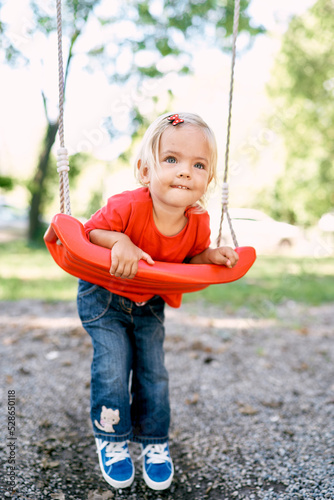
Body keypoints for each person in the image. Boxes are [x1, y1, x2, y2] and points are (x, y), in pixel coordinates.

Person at [77, 112, 239, 491]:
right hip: (105, 295)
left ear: (208, 180)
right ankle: (112, 438)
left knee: (154, 374)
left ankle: (154, 442)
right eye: (172, 159)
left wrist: (211, 256)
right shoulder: (127, 206)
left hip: (150, 302)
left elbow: (191, 258)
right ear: (145, 171)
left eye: (198, 165)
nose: (185, 171)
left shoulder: (198, 221)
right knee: (114, 366)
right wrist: (120, 241)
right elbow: (90, 232)